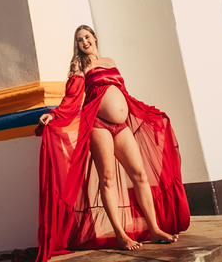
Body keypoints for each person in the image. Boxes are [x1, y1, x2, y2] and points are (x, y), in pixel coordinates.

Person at [36, 25, 190, 261]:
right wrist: (54, 115)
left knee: (140, 174)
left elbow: (123, 93)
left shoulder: (110, 61)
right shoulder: (80, 65)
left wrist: (145, 111)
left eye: (87, 37)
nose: (84, 42)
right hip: (98, 125)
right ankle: (121, 235)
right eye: (79, 40)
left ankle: (154, 228)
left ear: (95, 37)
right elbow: (72, 98)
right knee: (107, 179)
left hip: (121, 125)